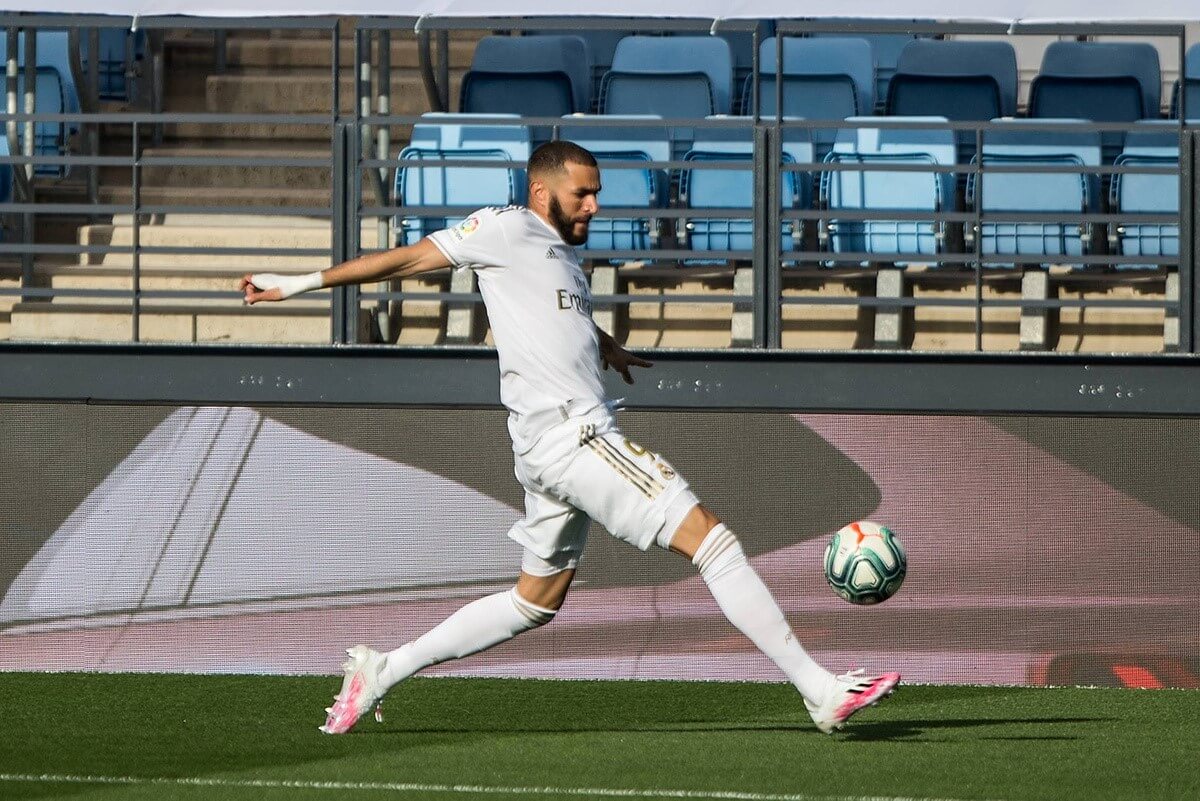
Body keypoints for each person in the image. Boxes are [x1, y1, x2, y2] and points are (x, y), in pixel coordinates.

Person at [240, 140, 899, 735]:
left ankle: (383, 669)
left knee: (534, 601)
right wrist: (297, 283)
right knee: (711, 539)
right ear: (540, 192)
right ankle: (819, 689)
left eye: (598, 191)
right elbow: (409, 258)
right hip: (575, 437)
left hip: (543, 449)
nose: (595, 203)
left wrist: (607, 348)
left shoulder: (560, 258)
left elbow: (550, 320)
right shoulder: (505, 228)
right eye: (582, 192)